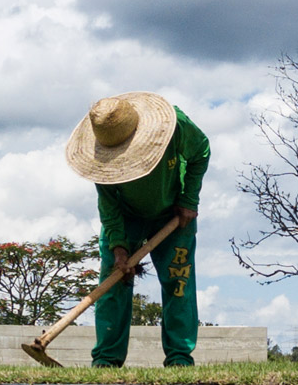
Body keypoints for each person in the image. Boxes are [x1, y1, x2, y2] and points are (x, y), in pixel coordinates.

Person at [64, 90, 210, 368]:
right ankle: (106, 359)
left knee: (178, 282)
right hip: (126, 216)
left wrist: (189, 199)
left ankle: (179, 357)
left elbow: (201, 151)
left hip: (174, 213)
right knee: (113, 281)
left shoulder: (174, 125)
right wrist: (118, 247)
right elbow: (108, 206)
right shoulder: (99, 157)